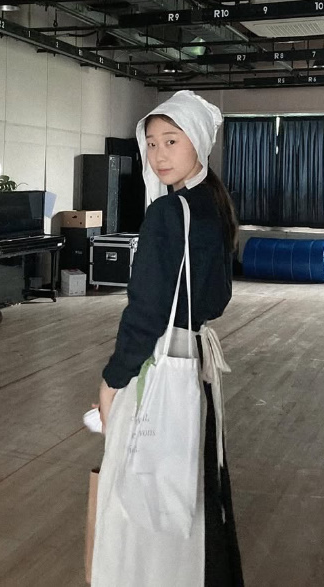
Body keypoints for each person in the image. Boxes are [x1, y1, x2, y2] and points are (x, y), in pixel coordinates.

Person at [91, 90, 244, 587]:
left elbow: (147, 311)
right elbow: (216, 299)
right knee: (194, 485)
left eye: (171, 141)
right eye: (152, 143)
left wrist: (113, 380)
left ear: (196, 142)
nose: (159, 154)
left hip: (158, 365)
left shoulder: (167, 212)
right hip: (194, 364)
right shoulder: (213, 205)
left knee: (141, 494)